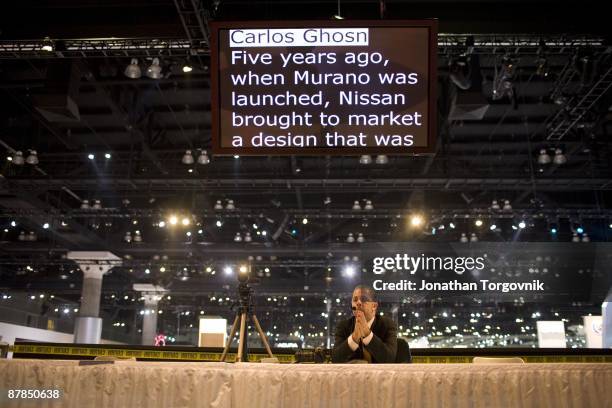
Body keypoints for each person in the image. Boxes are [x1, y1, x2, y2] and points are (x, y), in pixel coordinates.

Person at [331, 284, 397, 363]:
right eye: (355, 300)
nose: (358, 303)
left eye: (363, 299)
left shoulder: (387, 325)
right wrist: (354, 338)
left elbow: (389, 359)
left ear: (374, 306)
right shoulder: (343, 326)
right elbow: (336, 360)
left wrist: (367, 334)